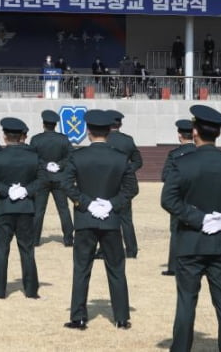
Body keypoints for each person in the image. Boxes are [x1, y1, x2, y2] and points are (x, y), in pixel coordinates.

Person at [161, 104, 221, 352]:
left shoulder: (183, 163)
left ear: (194, 131)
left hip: (190, 243)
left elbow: (168, 200)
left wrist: (197, 218)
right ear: (219, 134)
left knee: (185, 305)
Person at [62, 109, 137, 330]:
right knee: (116, 269)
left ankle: (78, 317)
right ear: (109, 132)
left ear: (88, 131)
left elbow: (66, 184)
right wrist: (112, 204)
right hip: (111, 220)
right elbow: (132, 188)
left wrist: (86, 203)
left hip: (85, 220)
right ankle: (122, 318)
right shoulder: (120, 158)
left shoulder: (78, 156)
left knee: (81, 269)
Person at [0, 117, 41, 299]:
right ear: (22, 136)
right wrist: (26, 190)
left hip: (3, 208)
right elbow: (43, 179)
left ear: (5, 137)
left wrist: (6, 190)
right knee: (27, 251)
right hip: (25, 208)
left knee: (2, 251)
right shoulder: (34, 157)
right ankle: (31, 291)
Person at [30, 110, 74, 247]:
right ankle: (68, 239)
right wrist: (59, 165)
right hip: (59, 178)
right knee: (64, 210)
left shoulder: (36, 139)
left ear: (43, 124)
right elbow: (70, 156)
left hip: (42, 177)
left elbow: (32, 158)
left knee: (38, 210)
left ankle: (35, 240)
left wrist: (45, 165)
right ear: (55, 125)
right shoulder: (63, 139)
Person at [160, 119, 196, 276]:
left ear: (180, 136)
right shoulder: (199, 152)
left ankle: (174, 266)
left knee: (176, 232)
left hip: (179, 198)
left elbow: (165, 176)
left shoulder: (174, 155)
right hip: (197, 196)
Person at [106, 110, 142, 258]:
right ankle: (131, 250)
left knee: (106, 216)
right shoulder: (128, 140)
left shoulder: (105, 140)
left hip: (107, 182)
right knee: (126, 219)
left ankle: (105, 249)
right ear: (120, 124)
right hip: (124, 184)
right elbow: (138, 161)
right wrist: (126, 170)